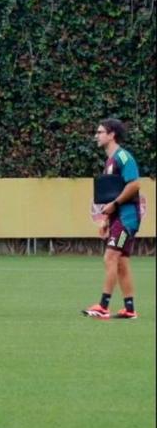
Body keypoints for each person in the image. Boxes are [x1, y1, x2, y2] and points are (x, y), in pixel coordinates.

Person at [83, 118, 142, 320]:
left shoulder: (123, 157)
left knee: (110, 257)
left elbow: (134, 185)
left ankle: (103, 306)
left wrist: (115, 206)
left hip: (127, 220)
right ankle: (129, 309)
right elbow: (113, 196)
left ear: (111, 135)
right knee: (121, 261)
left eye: (100, 132)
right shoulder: (109, 161)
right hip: (119, 220)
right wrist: (106, 220)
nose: (97, 136)